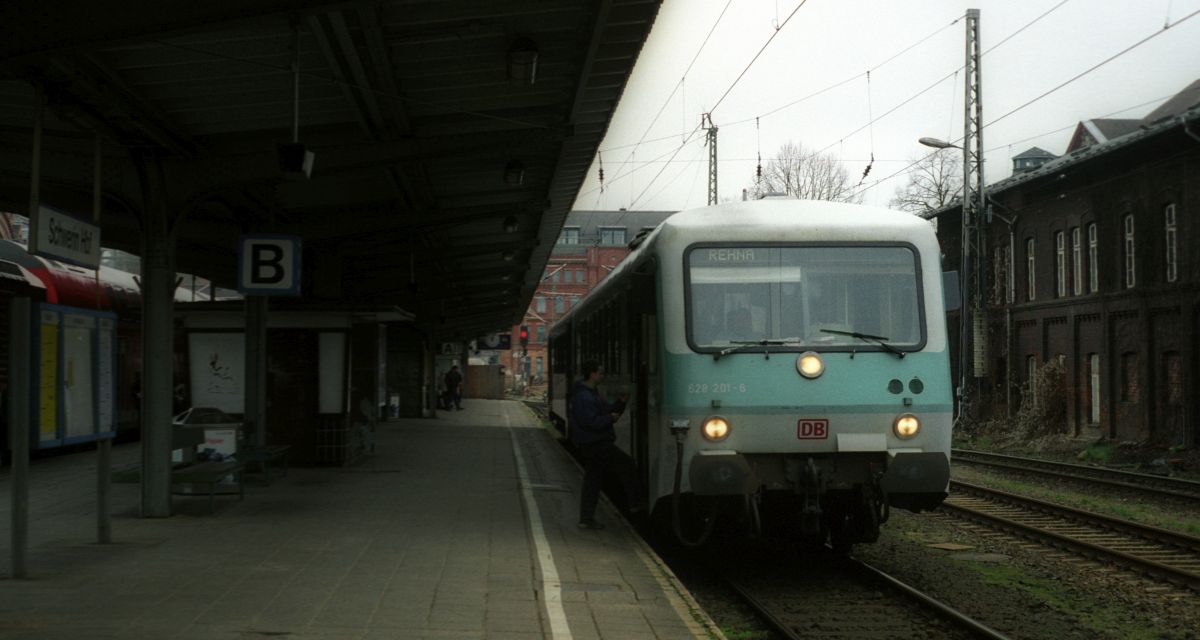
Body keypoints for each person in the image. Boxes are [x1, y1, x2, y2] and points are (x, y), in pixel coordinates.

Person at [569, 360, 642, 530]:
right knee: (627, 465)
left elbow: (605, 411)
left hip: (593, 443)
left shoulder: (591, 393)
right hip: (596, 444)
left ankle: (586, 519)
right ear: (592, 374)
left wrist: (620, 403)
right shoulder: (584, 396)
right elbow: (591, 422)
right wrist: (609, 419)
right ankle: (636, 508)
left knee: (592, 481)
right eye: (600, 373)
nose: (603, 376)